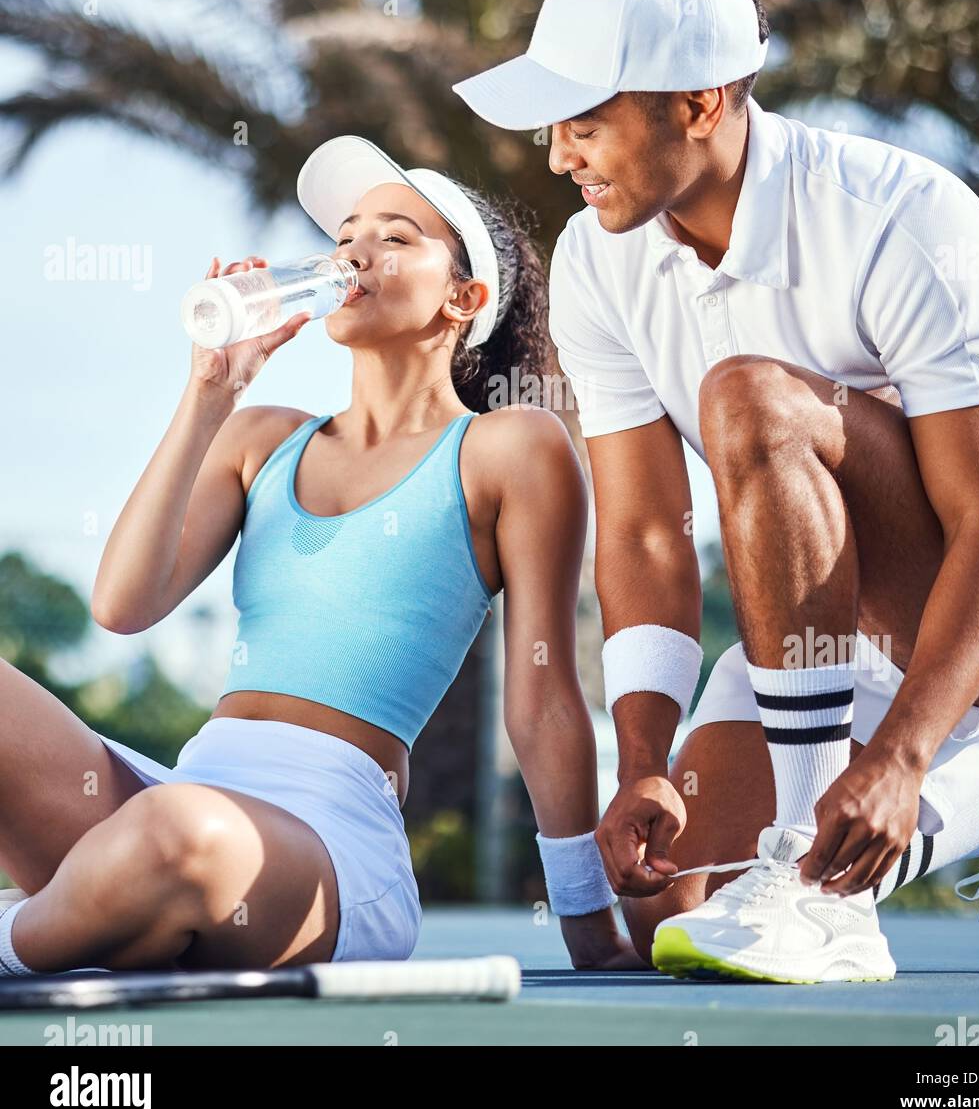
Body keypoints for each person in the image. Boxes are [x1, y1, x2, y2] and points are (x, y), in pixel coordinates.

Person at [452, 0, 979, 982]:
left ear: (698, 104)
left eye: (585, 121)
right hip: (820, 611)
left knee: (749, 395)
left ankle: (816, 878)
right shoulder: (593, 258)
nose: (557, 155)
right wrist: (643, 761)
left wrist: (898, 756)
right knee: (671, 896)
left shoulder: (907, 216)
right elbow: (649, 530)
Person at [0, 137, 636, 977]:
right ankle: (94, 915)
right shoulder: (261, 438)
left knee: (178, 836)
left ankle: (48, 930)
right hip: (175, 802)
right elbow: (122, 605)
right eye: (345, 237)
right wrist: (208, 396)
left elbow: (544, 699)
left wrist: (587, 921)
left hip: (325, 854)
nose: (354, 254)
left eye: (397, 237)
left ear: (463, 297)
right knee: (159, 816)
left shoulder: (508, 447)